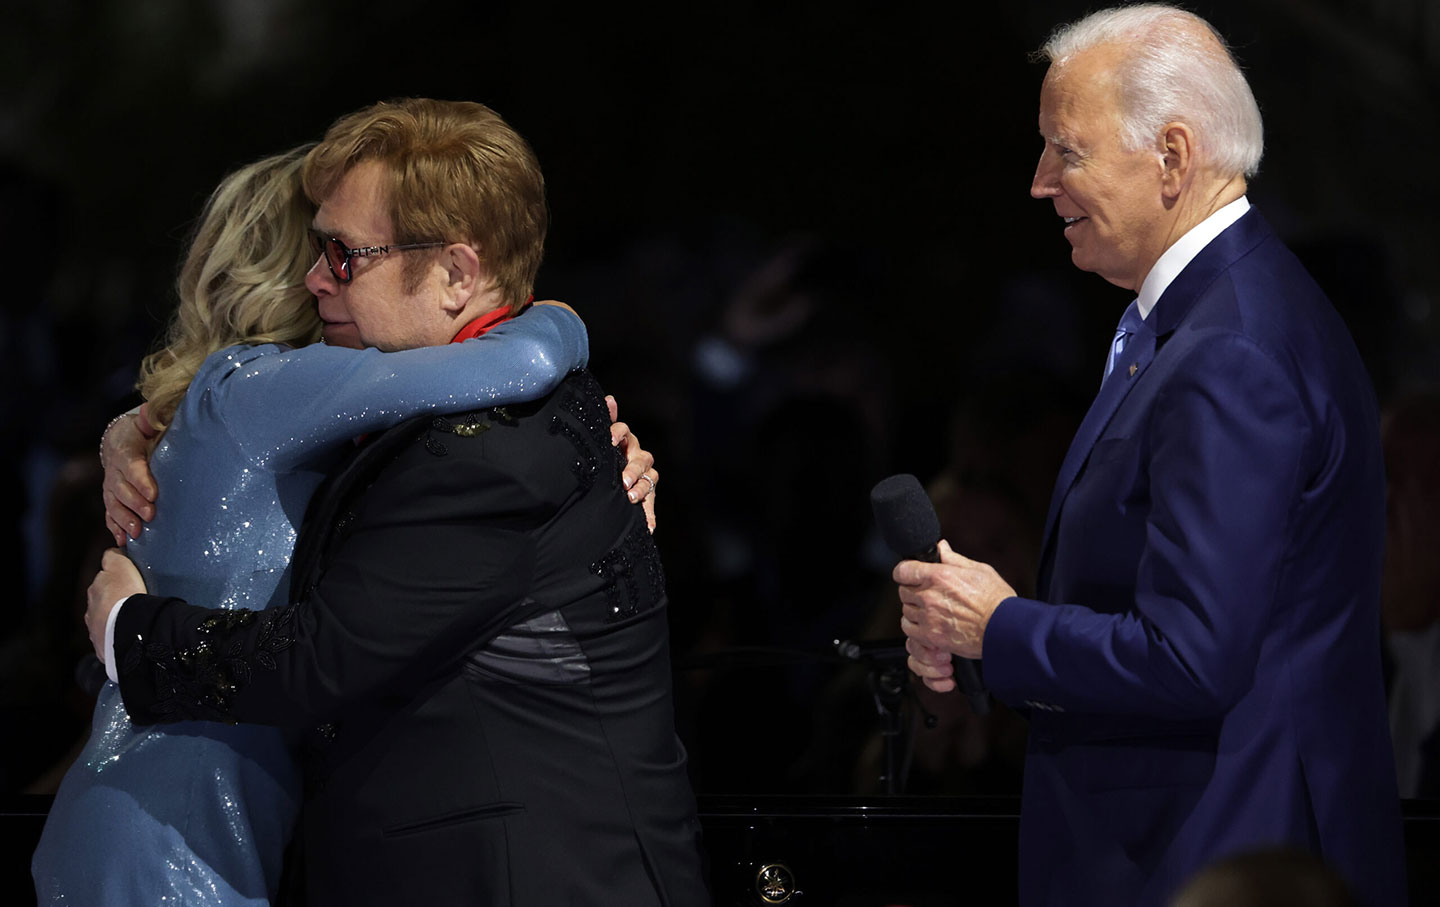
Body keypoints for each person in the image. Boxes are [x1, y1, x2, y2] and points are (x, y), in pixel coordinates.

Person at [85, 98, 708, 906]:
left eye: (344, 256)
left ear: (455, 271)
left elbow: (320, 658)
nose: (315, 280)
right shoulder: (457, 420)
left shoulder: (490, 452)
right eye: (316, 250)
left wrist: (127, 632)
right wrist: (135, 430)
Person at [894, 6, 1406, 905]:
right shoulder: (1209, 319)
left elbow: (1192, 654)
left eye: (1067, 149)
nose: (1040, 181)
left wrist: (1000, 627)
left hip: (1224, 854)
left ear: (1173, 156)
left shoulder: (1231, 348)